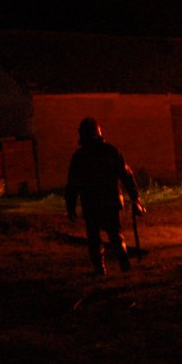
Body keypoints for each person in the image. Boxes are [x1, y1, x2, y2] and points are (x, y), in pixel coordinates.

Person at [65, 117, 145, 276]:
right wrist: (135, 198)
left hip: (92, 203)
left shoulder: (80, 156)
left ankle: (101, 269)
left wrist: (71, 206)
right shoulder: (110, 151)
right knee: (114, 234)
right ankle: (124, 263)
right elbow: (126, 176)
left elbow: (72, 185)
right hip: (109, 201)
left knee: (95, 237)